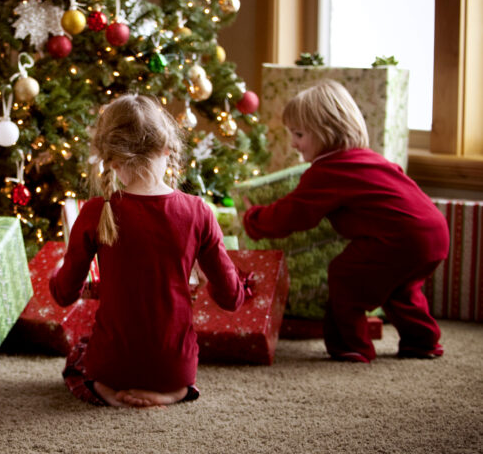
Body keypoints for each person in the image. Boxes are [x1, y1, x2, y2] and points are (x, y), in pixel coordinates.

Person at [50, 94, 252, 408]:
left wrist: (56, 272)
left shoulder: (95, 211)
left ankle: (104, 390)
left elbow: (64, 294)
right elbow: (231, 298)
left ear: (112, 159)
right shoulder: (198, 211)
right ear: (169, 149)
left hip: (111, 367)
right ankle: (175, 393)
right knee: (176, 359)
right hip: (174, 367)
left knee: (78, 354)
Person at [242, 79, 449, 363]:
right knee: (401, 289)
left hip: (401, 238)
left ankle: (350, 345)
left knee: (345, 275)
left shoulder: (328, 170)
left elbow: (294, 213)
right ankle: (422, 342)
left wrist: (254, 218)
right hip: (434, 232)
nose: (293, 143)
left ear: (327, 132)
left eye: (299, 134)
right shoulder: (368, 159)